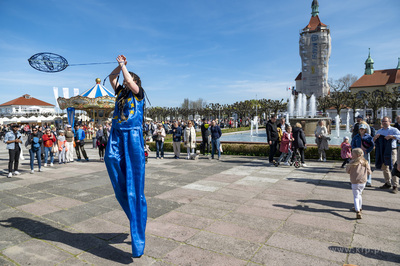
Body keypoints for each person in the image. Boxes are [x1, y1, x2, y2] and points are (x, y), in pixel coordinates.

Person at [104, 54, 147, 258]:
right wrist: (117, 66)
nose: (126, 83)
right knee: (110, 161)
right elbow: (113, 79)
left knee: (134, 185)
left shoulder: (138, 93)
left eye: (130, 80)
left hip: (132, 137)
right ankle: (135, 217)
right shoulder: (120, 93)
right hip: (116, 134)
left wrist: (124, 66)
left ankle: (138, 230)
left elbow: (129, 80)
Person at [373, 116, 400, 194]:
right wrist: (375, 138)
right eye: (383, 121)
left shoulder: (394, 130)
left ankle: (395, 186)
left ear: (389, 121)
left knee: (393, 167)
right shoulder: (379, 131)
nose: (384, 123)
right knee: (384, 167)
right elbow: (373, 140)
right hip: (382, 151)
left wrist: (392, 136)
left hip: (392, 151)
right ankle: (387, 183)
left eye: (385, 121)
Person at [346, 148, 371, 219]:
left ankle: (357, 211)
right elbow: (369, 172)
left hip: (354, 181)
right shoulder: (365, 162)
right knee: (359, 194)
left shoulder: (352, 162)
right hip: (363, 181)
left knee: (356, 196)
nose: (351, 155)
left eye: (352, 154)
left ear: (358, 155)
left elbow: (347, 171)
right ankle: (359, 207)